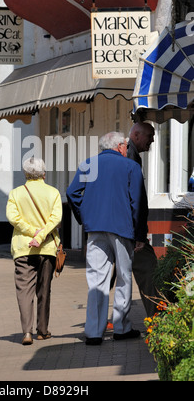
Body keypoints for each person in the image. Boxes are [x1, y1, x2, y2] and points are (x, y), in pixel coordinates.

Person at [67, 132, 148, 345]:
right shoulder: (131, 167)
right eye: (125, 144)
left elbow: (72, 193)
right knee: (123, 277)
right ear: (120, 146)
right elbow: (138, 202)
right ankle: (121, 328)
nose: (127, 147)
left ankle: (94, 332)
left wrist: (85, 217)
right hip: (122, 229)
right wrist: (140, 234)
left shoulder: (88, 164)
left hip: (95, 229)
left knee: (96, 279)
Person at [6, 157, 62, 346]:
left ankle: (27, 332)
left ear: (25, 173)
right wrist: (41, 235)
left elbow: (13, 218)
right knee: (44, 290)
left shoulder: (15, 193)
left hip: (23, 248)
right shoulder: (53, 193)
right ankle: (43, 330)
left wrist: (32, 233)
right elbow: (56, 218)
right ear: (43, 173)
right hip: (47, 248)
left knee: (24, 291)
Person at [128, 122, 159, 317]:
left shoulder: (129, 155)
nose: (153, 141)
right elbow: (136, 198)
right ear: (137, 135)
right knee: (149, 269)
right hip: (130, 230)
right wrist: (139, 234)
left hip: (113, 228)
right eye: (150, 136)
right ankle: (156, 318)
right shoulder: (130, 158)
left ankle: (96, 326)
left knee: (106, 279)